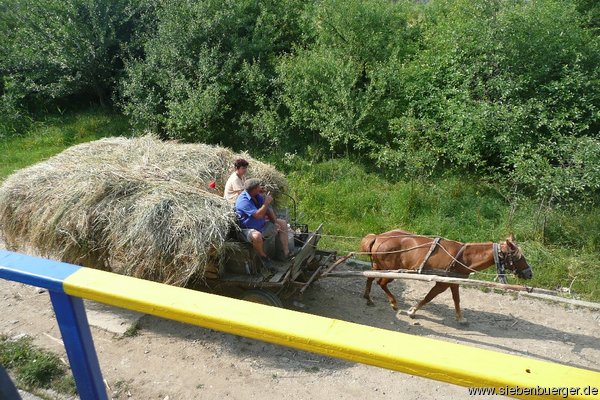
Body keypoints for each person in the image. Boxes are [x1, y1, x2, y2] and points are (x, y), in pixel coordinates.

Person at [235, 178, 289, 270]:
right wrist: (266, 202)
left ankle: (285, 253)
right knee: (257, 236)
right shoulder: (243, 201)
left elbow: (267, 210)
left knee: (282, 223)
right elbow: (257, 215)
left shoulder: (257, 196)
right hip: (246, 229)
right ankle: (264, 258)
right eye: (259, 186)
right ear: (255, 189)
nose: (261, 188)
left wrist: (275, 222)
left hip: (261, 225)